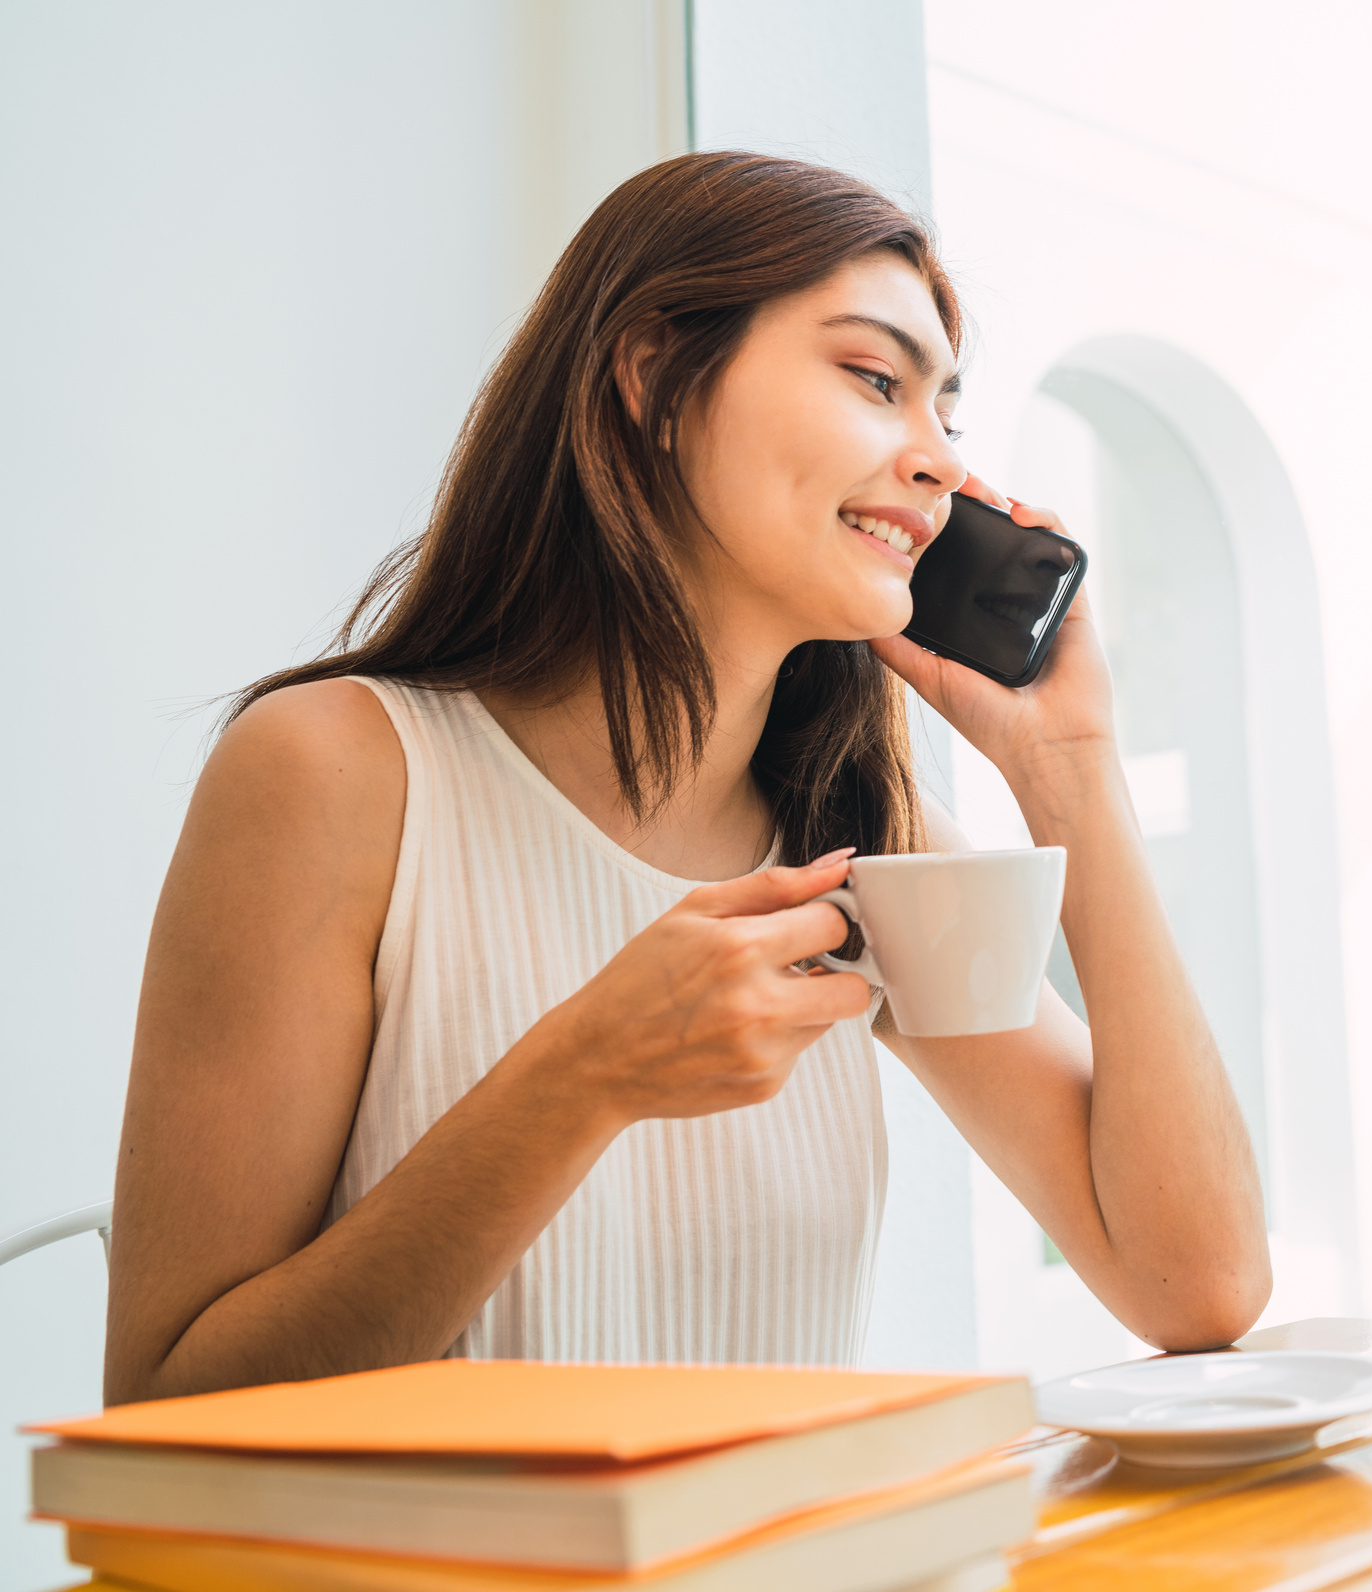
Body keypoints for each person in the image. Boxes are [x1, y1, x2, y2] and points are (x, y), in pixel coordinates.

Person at [103, 153, 1271, 1402]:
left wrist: (1071, 772)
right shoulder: (333, 771)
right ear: (654, 374)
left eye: (949, 414)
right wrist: (585, 1072)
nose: (938, 462)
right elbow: (173, 1408)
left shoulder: (863, 838)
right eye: (877, 380)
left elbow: (1192, 1283)